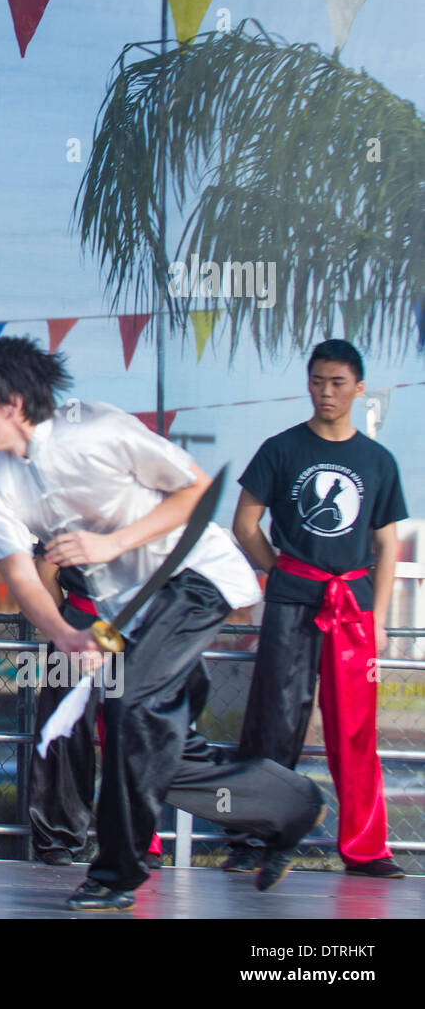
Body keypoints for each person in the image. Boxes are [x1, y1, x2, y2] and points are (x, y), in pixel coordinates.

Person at [0, 336, 325, 911]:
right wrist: (64, 634)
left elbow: (196, 491)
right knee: (161, 752)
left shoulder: (98, 428)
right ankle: (290, 807)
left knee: (130, 711)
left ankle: (115, 875)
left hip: (193, 577)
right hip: (131, 618)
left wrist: (112, 544)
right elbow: (22, 576)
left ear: (12, 401)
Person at [226, 340, 407, 878]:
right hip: (291, 601)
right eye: (317, 381)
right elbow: (244, 525)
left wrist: (377, 618)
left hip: (352, 606)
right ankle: (253, 841)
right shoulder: (281, 449)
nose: (326, 392)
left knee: (355, 729)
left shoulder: (378, 461)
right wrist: (280, 570)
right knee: (274, 724)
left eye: (337, 383)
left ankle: (365, 848)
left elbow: (387, 546)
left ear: (357, 387)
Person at [27, 554, 163, 870]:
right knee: (65, 730)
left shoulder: (147, 508)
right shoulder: (66, 508)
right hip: (78, 624)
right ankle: (58, 836)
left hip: (136, 628)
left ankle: (136, 836)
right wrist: (64, 620)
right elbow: (46, 569)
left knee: (133, 731)